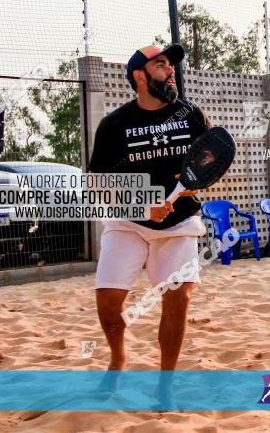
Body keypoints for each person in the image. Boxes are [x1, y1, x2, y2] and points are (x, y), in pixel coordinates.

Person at [88, 43, 211, 376]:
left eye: (170, 65)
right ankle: (118, 357)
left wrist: (202, 179)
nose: (170, 70)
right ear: (139, 76)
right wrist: (142, 204)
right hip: (128, 223)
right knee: (107, 299)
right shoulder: (115, 124)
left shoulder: (191, 115)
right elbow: (96, 183)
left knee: (178, 298)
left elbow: (214, 155)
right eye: (161, 65)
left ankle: (166, 381)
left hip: (180, 224)